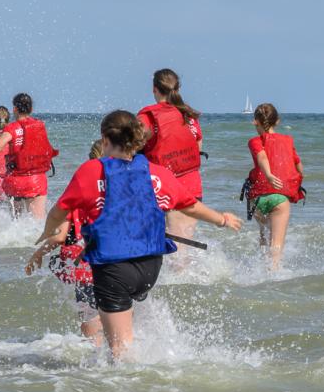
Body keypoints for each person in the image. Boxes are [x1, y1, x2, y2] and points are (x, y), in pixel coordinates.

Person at [26, 110, 240, 358]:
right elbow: (190, 205)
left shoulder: (91, 171)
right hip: (150, 268)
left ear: (105, 139)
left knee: (120, 352)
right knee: (128, 328)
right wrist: (222, 219)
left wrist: (46, 232)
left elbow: (58, 212)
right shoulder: (156, 172)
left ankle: (124, 380)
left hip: (113, 269)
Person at [45, 139, 107, 345]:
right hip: (118, 265)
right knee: (119, 318)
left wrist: (39, 252)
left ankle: (96, 352)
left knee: (90, 320)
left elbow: (60, 237)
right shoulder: (122, 192)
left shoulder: (78, 196)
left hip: (86, 269)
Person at [138, 69, 205, 253]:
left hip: (161, 187)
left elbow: (131, 145)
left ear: (154, 89)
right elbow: (197, 145)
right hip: (191, 186)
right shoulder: (188, 115)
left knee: (157, 246)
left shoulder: (148, 116)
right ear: (177, 89)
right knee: (183, 245)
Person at [0, 93, 57, 219]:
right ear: (31, 109)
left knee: (16, 220)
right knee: (39, 221)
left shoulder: (12, 128)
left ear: (15, 109)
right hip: (36, 180)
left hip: (15, 181)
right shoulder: (40, 125)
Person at [244, 103, 304, 270]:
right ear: (277, 121)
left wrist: (267, 175)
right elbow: (299, 167)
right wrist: (274, 176)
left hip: (257, 199)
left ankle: (260, 269)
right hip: (279, 199)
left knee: (263, 234)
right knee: (276, 245)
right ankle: (273, 274)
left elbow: (261, 156)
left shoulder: (254, 141)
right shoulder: (288, 141)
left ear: (255, 121)